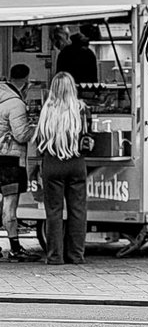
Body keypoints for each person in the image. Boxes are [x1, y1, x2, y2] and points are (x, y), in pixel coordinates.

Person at [28, 72, 88, 266]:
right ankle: (76, 256)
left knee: (53, 212)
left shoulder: (47, 110)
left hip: (52, 163)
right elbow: (89, 137)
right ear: (72, 88)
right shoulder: (80, 109)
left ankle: (55, 256)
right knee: (77, 210)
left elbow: (39, 141)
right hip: (76, 162)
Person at [0, 64, 40, 260]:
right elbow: (21, 135)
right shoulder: (15, 103)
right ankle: (15, 248)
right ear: (26, 80)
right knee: (9, 206)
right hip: (9, 160)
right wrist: (35, 127)